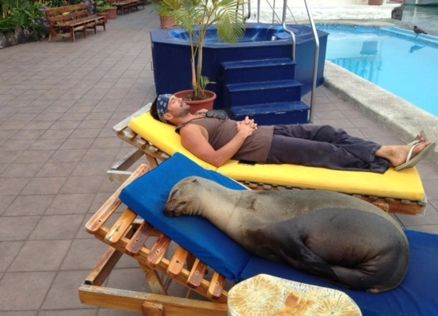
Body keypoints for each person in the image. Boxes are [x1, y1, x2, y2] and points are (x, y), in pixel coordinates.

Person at [150, 94, 434, 173]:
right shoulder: (187, 132)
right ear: (168, 116)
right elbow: (214, 160)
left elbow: (225, 130)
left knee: (328, 131)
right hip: (264, 148)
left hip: (268, 132)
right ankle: (388, 155)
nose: (177, 98)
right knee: (328, 153)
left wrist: (242, 125)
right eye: (172, 101)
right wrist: (243, 133)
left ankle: (385, 150)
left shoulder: (199, 115)